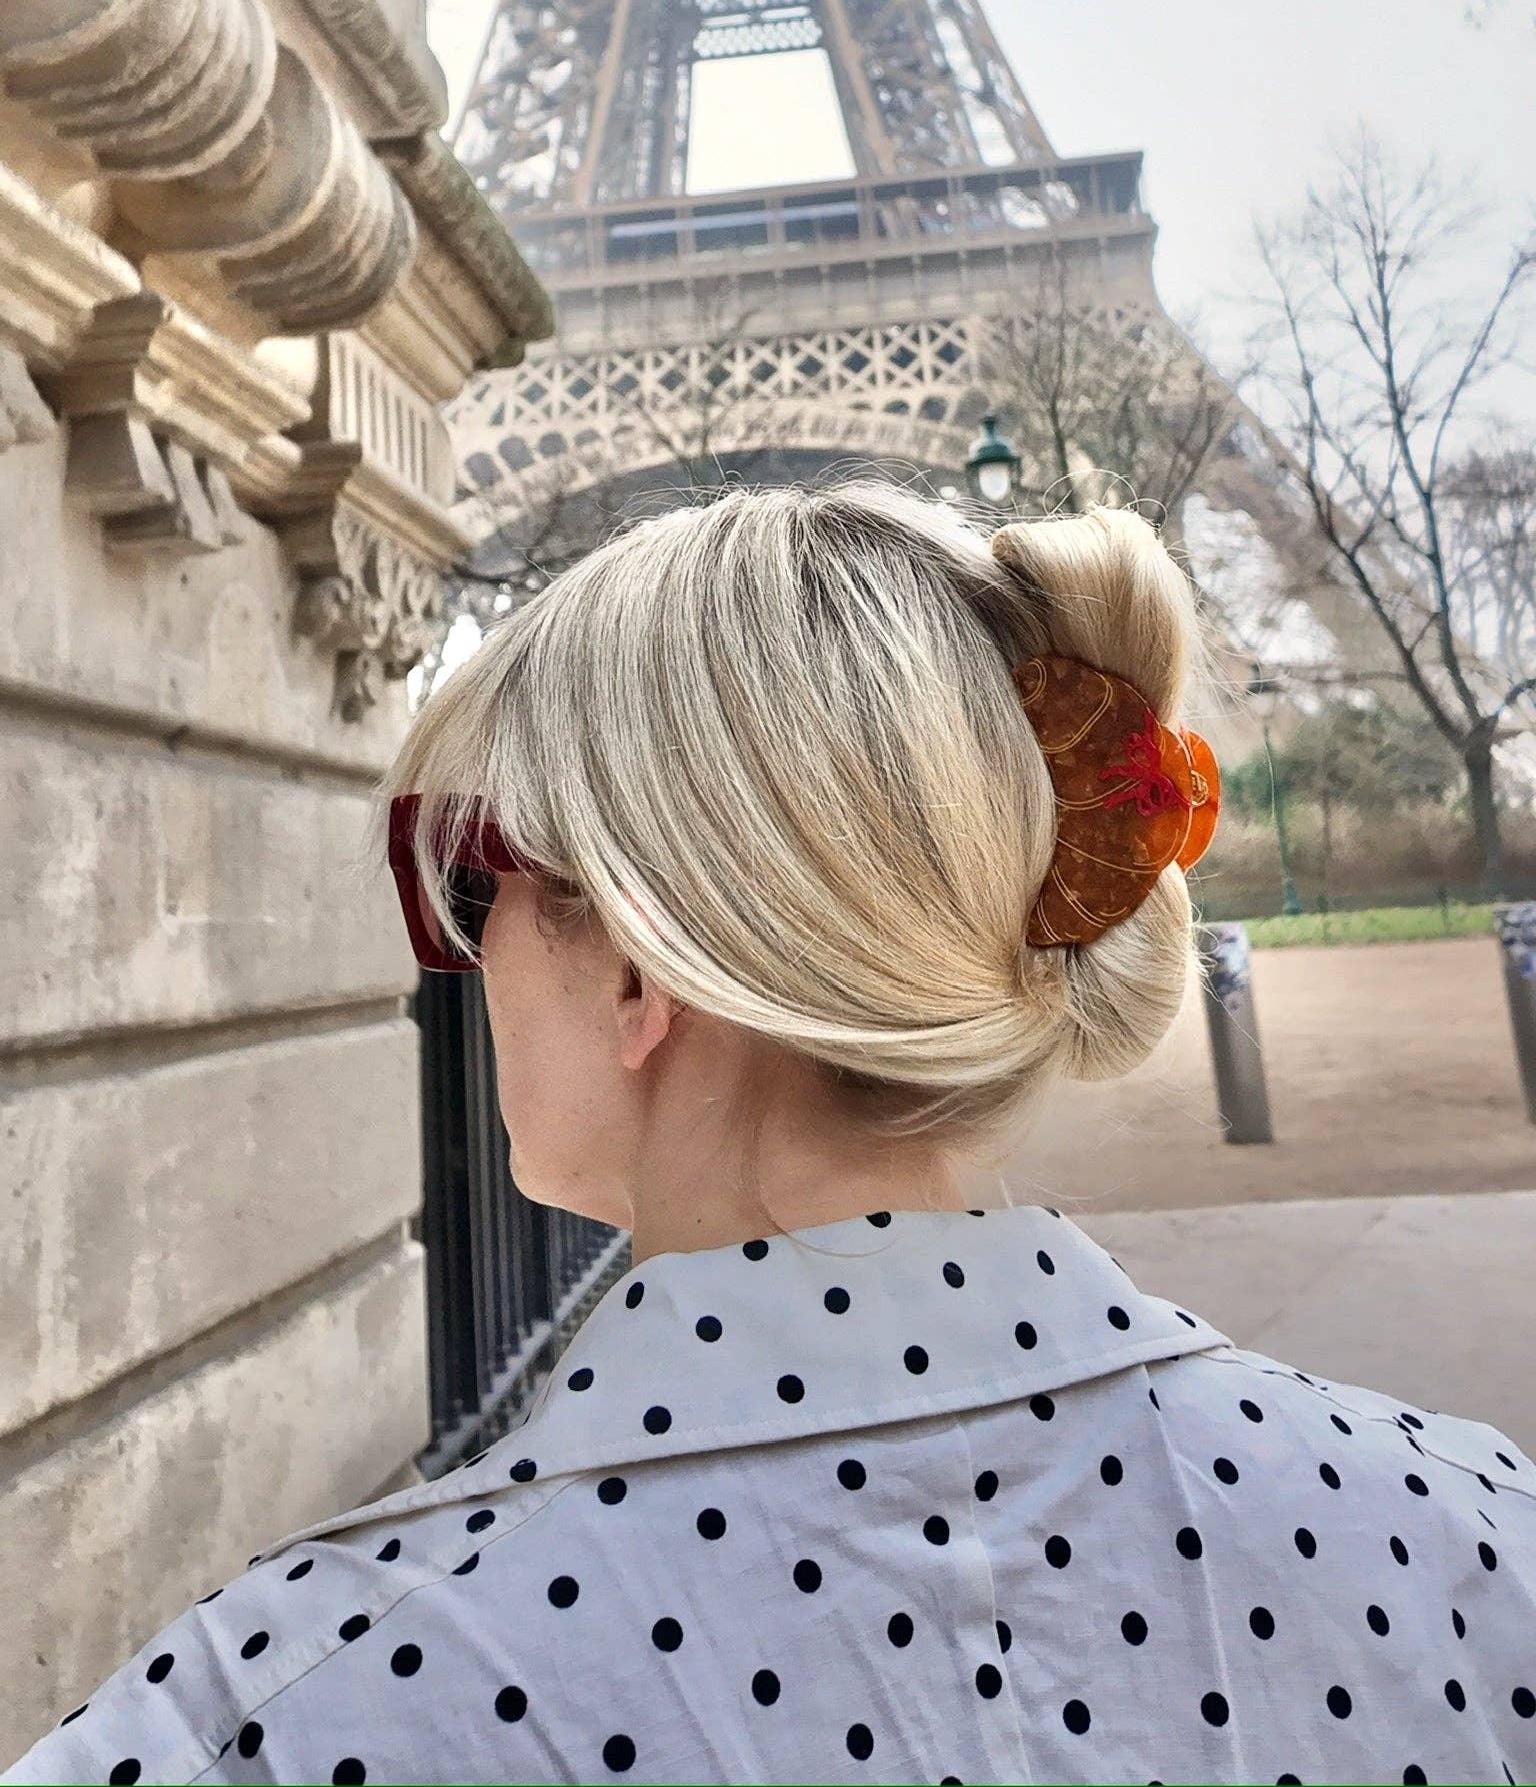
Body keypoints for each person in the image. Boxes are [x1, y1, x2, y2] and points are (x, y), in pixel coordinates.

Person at [10, 485, 1534, 1787]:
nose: (461, 962)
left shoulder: (282, 1707)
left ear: (629, 962)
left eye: (469, 889)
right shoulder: (1473, 1536)